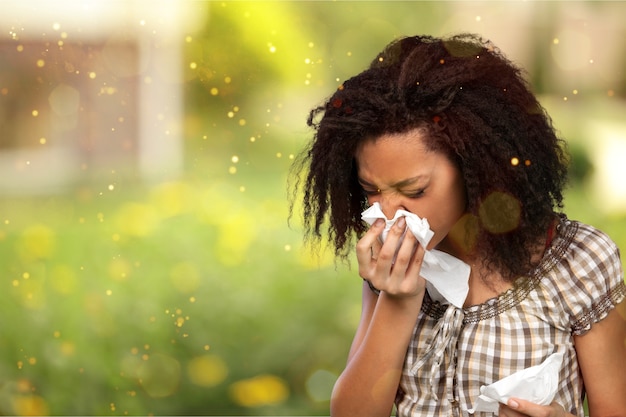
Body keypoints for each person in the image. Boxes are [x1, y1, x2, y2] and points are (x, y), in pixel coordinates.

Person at [289, 34, 626, 416]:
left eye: (413, 190)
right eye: (370, 190)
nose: (387, 212)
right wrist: (398, 301)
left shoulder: (578, 262)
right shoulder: (392, 266)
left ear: (477, 168)